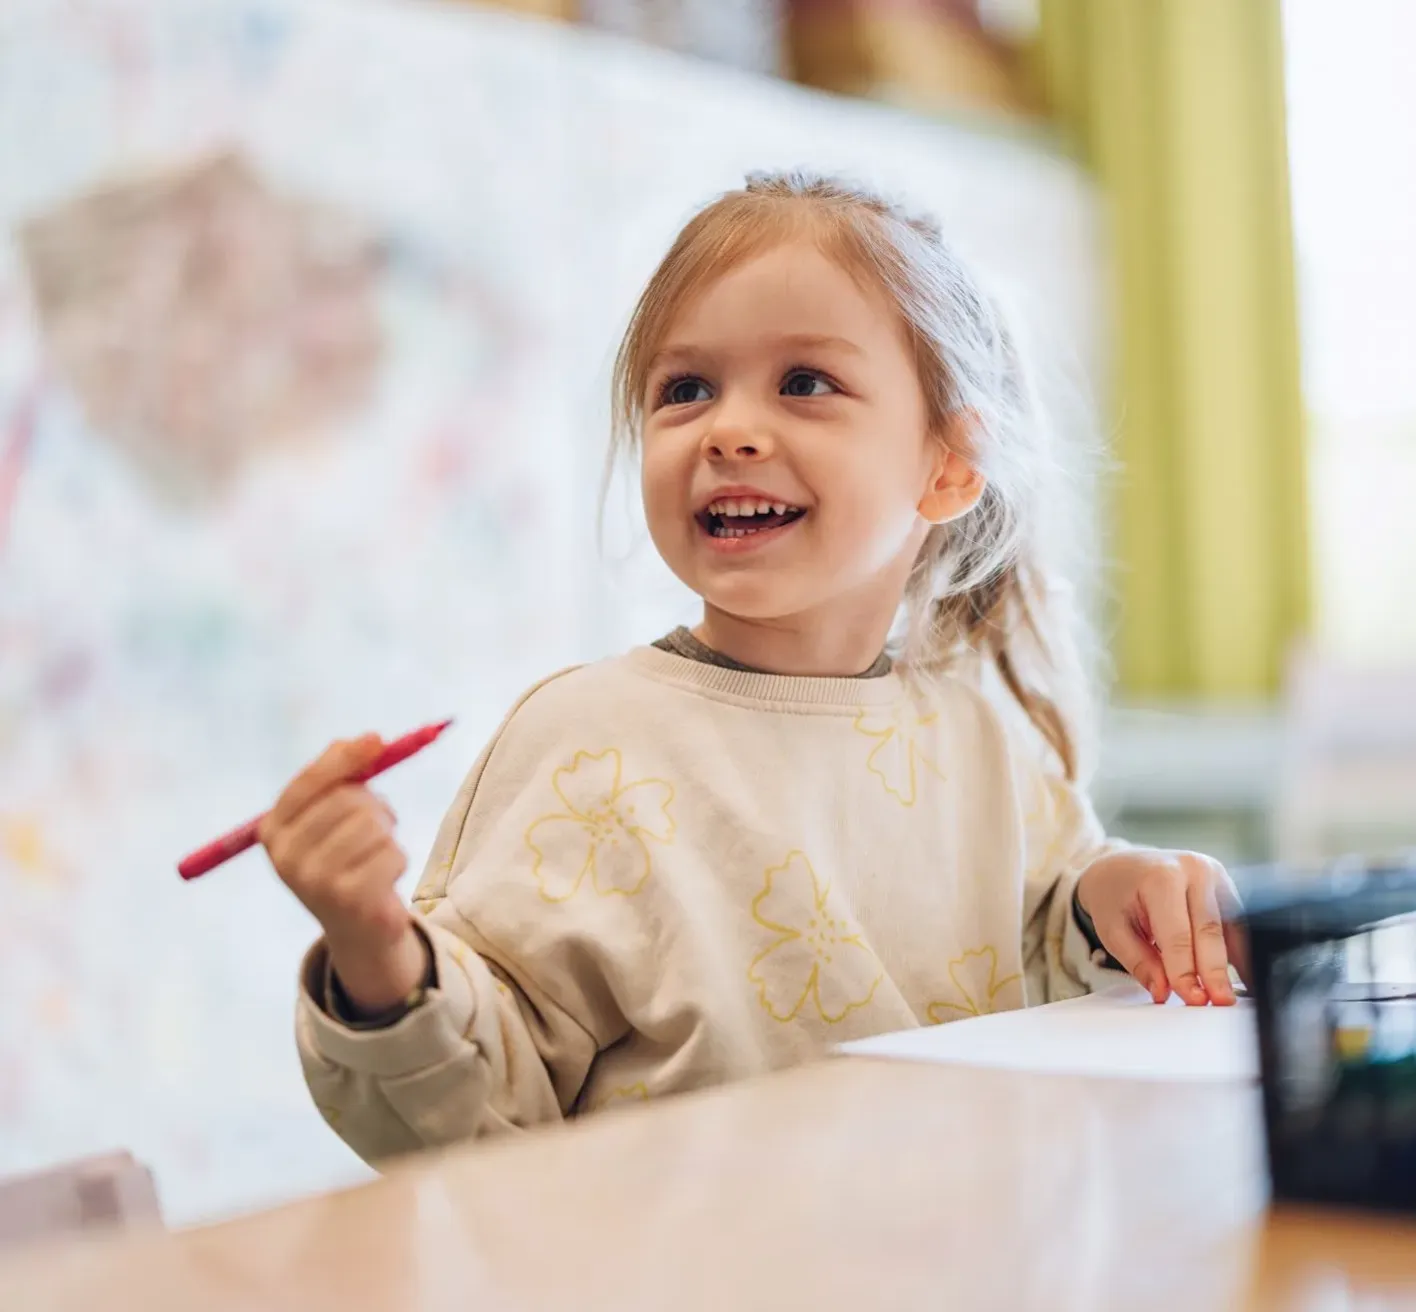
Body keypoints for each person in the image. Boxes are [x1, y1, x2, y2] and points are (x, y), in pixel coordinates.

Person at [263, 173, 1245, 1164]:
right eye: (685, 389)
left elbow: (1057, 940)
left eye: (804, 383)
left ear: (948, 466)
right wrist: (378, 952)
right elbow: (468, 1109)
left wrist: (1118, 893)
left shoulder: (983, 742)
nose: (728, 429)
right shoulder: (585, 743)